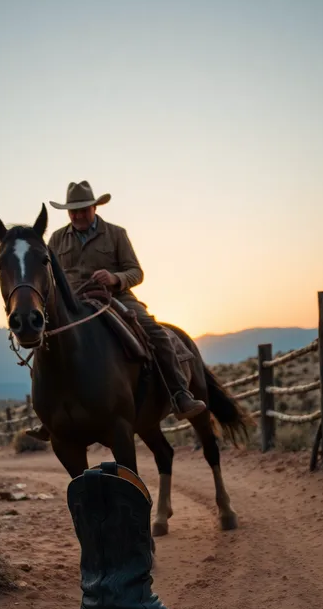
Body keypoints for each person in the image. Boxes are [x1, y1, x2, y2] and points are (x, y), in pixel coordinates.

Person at [27, 181, 206, 441]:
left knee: (155, 332)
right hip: (73, 303)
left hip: (115, 297)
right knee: (44, 343)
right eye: (73, 211)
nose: (77, 215)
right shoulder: (55, 239)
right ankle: (50, 415)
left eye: (83, 210)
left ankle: (179, 394)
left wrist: (114, 278)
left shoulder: (116, 234)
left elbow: (136, 271)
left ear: (94, 207)